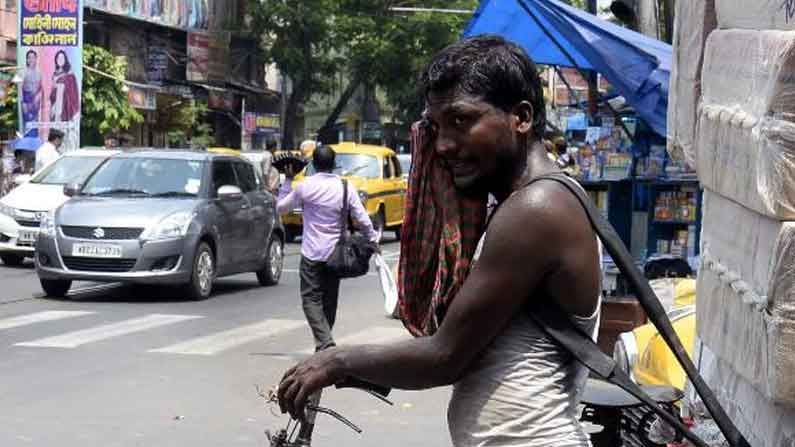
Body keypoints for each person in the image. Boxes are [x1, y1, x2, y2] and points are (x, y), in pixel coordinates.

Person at [277, 35, 602, 446]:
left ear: (520, 118)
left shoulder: (536, 208)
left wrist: (336, 360)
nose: (444, 145)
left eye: (461, 121)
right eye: (436, 128)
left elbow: (443, 357)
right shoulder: (528, 202)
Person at [276, 145, 379, 353]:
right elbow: (361, 217)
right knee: (329, 300)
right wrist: (373, 238)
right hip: (335, 254)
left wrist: (288, 180)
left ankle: (324, 343)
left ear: (313, 164)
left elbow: (281, 208)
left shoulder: (304, 186)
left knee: (311, 299)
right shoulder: (345, 186)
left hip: (311, 253)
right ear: (334, 165)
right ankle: (324, 345)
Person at [50, 50, 80, 123]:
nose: (60, 60)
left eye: (62, 58)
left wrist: (59, 86)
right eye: (58, 58)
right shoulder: (54, 74)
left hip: (66, 105)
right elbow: (52, 91)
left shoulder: (69, 74)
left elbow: (73, 91)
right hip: (55, 103)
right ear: (56, 60)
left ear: (65, 60)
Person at [21, 50, 43, 127]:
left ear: (36, 59)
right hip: (26, 101)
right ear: (27, 59)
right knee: (27, 125)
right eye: (29, 57)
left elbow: (41, 88)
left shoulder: (39, 73)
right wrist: (23, 102)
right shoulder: (23, 72)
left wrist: (38, 97)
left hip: (36, 102)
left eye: (33, 57)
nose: (31, 59)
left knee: (35, 124)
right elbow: (20, 88)